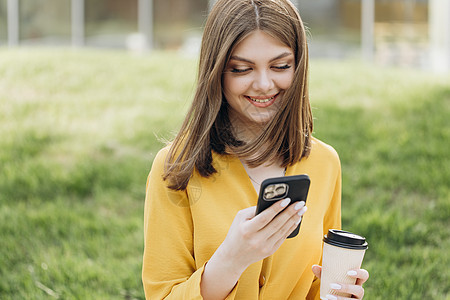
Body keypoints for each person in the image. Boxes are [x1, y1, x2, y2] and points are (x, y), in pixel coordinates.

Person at [142, 0, 369, 299]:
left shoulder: (325, 163)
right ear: (217, 71)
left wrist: (339, 292)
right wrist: (232, 259)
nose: (264, 83)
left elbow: (317, 288)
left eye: (280, 66)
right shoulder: (175, 167)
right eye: (241, 69)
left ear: (298, 66)